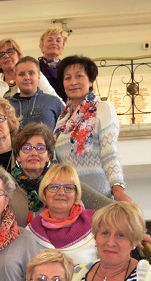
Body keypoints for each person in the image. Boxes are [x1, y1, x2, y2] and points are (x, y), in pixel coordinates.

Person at [54, 55, 131, 203]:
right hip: (70, 198)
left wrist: (118, 187)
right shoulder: (62, 120)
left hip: (98, 195)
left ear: (90, 81)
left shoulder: (103, 108)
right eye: (68, 78)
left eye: (79, 76)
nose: (73, 82)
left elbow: (110, 152)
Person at [28, 164, 98, 265]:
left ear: (76, 194)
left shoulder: (96, 222)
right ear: (44, 193)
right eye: (54, 187)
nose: (61, 192)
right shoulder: (31, 231)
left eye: (68, 188)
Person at [9, 56, 64, 130]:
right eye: (21, 74)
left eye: (31, 73)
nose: (27, 77)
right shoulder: (7, 106)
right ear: (15, 78)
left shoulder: (54, 102)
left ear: (39, 76)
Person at [39, 28, 69, 100]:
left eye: (58, 40)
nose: (54, 43)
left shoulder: (68, 69)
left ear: (62, 48)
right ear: (42, 47)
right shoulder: (35, 68)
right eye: (49, 40)